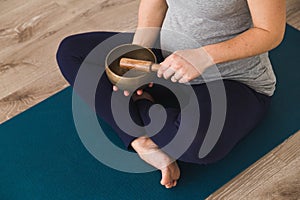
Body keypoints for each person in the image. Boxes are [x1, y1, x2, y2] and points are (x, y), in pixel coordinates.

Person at [56, 0, 286, 189]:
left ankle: (141, 108)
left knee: (198, 143)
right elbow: (155, 3)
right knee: (72, 52)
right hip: (167, 61)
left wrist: (204, 56)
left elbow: (270, 33)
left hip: (231, 79)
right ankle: (141, 140)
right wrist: (137, 55)